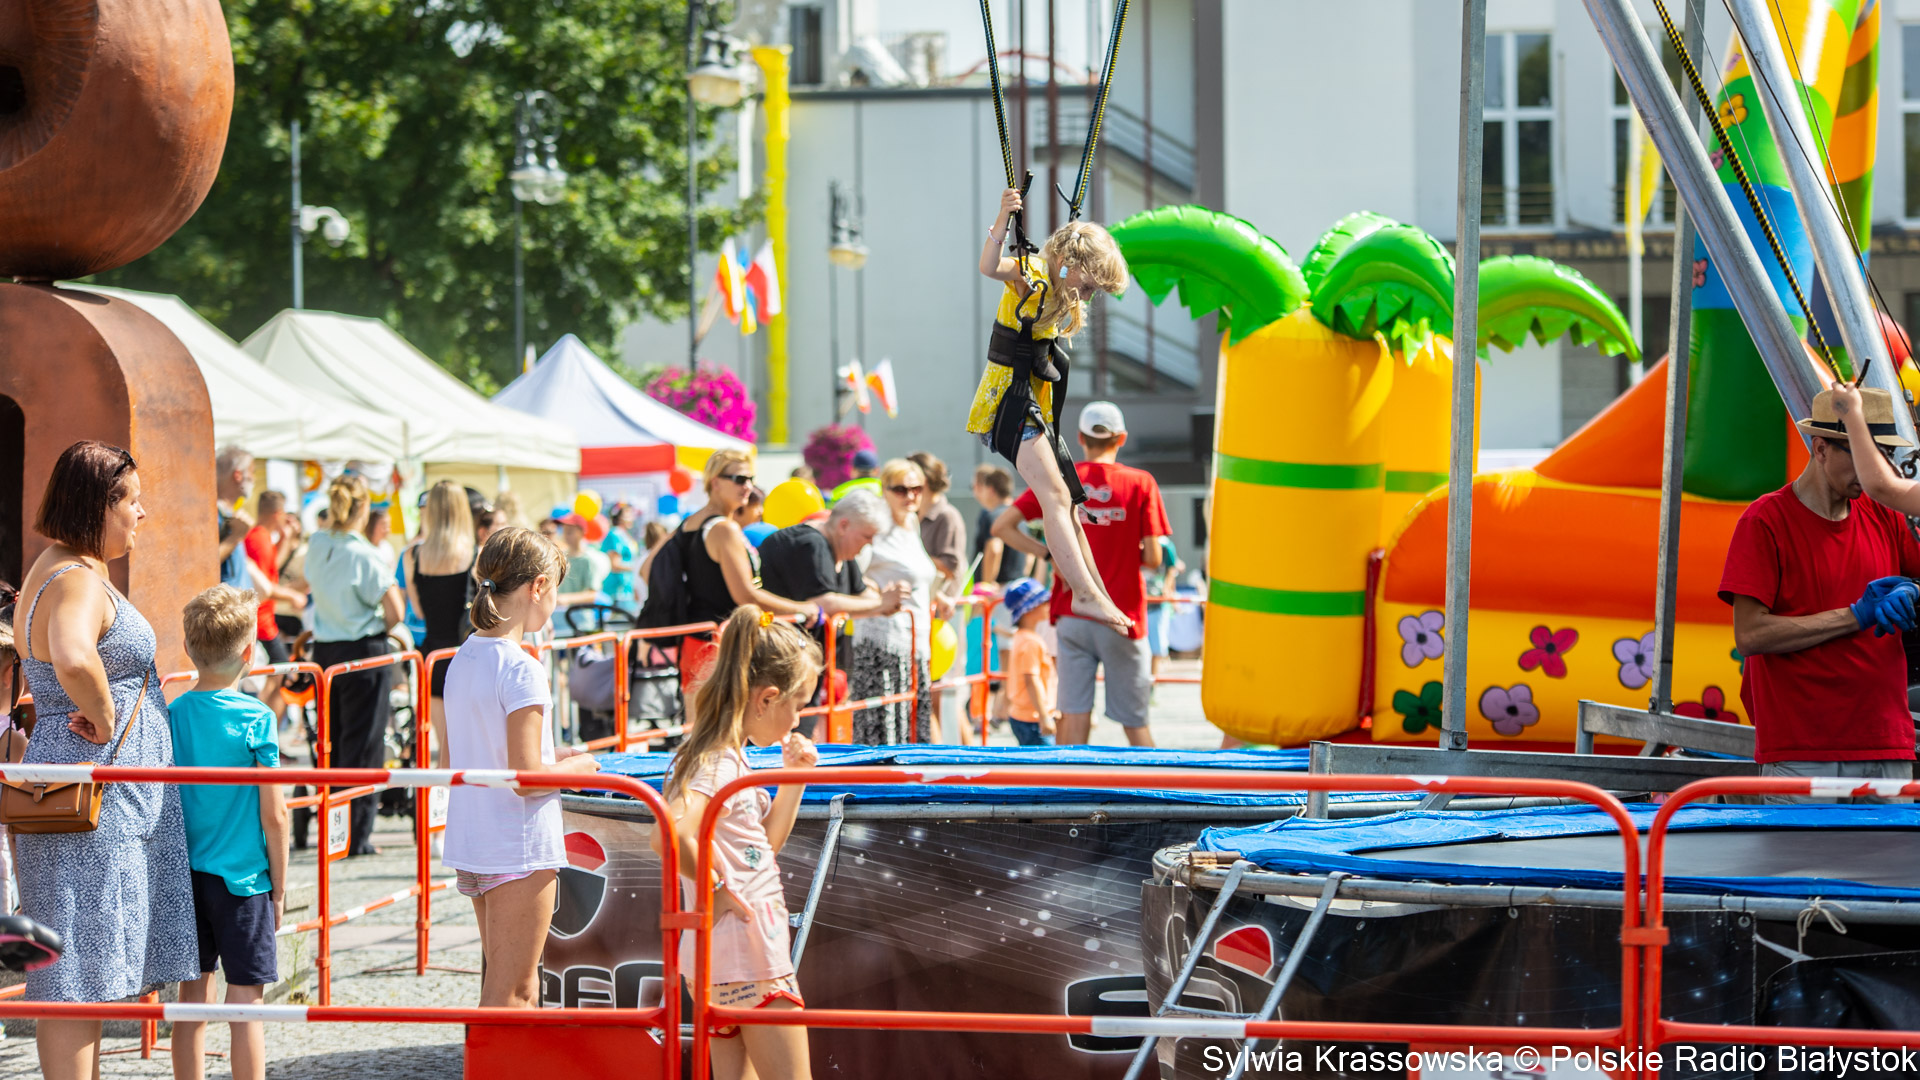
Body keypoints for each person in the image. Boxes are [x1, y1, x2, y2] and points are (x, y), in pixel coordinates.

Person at [10, 441, 198, 1078]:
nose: (141, 515)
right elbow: (70, 653)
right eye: (132, 502)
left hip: (80, 788)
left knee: (71, 967)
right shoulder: (79, 579)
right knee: (73, 974)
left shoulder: (56, 566)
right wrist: (107, 712)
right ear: (99, 505)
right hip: (93, 796)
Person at [1720, 386, 1920, 803]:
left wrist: (1913, 591)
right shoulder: (1765, 522)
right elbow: (1751, 636)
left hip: (1885, 745)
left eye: (1884, 456)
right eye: (1863, 451)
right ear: (1821, 448)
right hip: (1802, 752)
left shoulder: (1886, 515)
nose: (1874, 467)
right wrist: (1855, 615)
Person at [651, 606, 820, 1080]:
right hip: (750, 951)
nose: (797, 719)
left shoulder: (720, 757)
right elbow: (668, 834)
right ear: (767, 698)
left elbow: (762, 847)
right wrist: (714, 888)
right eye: (798, 704)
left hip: (719, 956)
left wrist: (794, 782)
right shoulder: (717, 761)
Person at [444, 527, 601, 1008]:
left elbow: (483, 755)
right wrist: (587, 767)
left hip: (475, 837)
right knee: (514, 992)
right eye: (552, 589)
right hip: (517, 845)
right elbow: (527, 778)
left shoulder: (464, 656)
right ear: (538, 587)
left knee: (508, 985)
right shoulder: (520, 666)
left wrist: (560, 760)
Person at [968, 186, 1133, 633]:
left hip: (1032, 405)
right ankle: (1083, 595)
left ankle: (1096, 592)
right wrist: (1003, 217)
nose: (1091, 293)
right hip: (1008, 403)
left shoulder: (1062, 288)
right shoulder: (1035, 272)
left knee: (1071, 503)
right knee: (1055, 499)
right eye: (1091, 282)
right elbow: (988, 266)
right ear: (1073, 264)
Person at [167, 585, 290, 1080]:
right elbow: (275, 815)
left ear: (188, 649)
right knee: (247, 1007)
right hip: (243, 881)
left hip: (186, 879)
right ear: (248, 651)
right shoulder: (257, 718)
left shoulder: (171, 714)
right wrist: (279, 886)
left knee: (190, 1003)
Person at [996, 401, 1170, 747]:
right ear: (1120, 439)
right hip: (1122, 613)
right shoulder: (1141, 483)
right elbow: (1153, 557)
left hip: (1072, 611)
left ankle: (1068, 796)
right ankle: (1158, 792)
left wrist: (1049, 555)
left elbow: (1003, 526)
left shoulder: (1062, 481)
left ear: (1079, 437)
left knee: (1073, 719)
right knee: (1135, 722)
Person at [305, 474, 406, 855]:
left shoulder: (317, 542)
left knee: (332, 743)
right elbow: (394, 610)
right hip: (363, 649)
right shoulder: (365, 553)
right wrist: (378, 623)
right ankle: (356, 837)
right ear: (363, 509)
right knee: (363, 748)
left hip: (327, 648)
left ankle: (336, 831)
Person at [640, 450, 822, 630]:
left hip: (697, 639)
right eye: (740, 479)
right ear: (715, 482)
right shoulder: (724, 528)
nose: (748, 487)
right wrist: (802, 608)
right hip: (722, 644)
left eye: (752, 480)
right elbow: (746, 596)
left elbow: (646, 569)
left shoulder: (688, 523)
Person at [850, 459, 950, 745]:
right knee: (885, 735)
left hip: (915, 642)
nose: (910, 496)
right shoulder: (876, 528)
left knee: (913, 730)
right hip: (882, 643)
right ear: (885, 490)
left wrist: (937, 595)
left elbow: (917, 575)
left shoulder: (911, 523)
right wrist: (878, 595)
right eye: (901, 489)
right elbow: (852, 575)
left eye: (917, 489)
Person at [407, 480, 478, 770]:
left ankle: (445, 812)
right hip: (469, 653)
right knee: (472, 744)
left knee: (444, 748)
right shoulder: (476, 553)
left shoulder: (412, 555)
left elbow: (420, 612)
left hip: (432, 655)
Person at [242, 491, 307, 718]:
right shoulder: (257, 538)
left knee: (280, 673)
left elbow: (271, 566)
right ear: (278, 513)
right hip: (261, 621)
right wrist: (293, 596)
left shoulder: (260, 537)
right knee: (281, 675)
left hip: (265, 620)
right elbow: (265, 586)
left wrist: (285, 537)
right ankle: (260, 724)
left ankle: (262, 724)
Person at [1001, 578, 1058, 746]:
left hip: (1023, 716)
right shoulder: (1031, 642)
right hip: (1032, 719)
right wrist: (1044, 716)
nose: (1048, 605)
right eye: (1043, 602)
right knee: (1044, 768)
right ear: (1029, 610)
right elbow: (1031, 680)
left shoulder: (1021, 637)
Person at [971, 463, 1028, 589]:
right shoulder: (1020, 518)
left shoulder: (993, 517)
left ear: (990, 490)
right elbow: (1029, 556)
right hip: (1018, 587)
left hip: (998, 593)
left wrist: (987, 586)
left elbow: (994, 549)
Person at [215, 445, 255, 589]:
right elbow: (203, 566)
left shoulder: (226, 512)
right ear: (237, 475)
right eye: (252, 472)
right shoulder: (212, 515)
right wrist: (235, 537)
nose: (253, 478)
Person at [556, 514, 611, 611]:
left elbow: (592, 594)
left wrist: (566, 598)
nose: (566, 534)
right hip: (559, 615)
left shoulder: (588, 560)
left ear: (581, 532)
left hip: (579, 619)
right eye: (564, 530)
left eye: (570, 531)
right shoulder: (559, 557)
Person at [601, 504, 640, 612]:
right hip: (617, 593)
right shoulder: (615, 534)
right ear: (618, 517)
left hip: (627, 591)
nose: (631, 518)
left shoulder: (625, 535)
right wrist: (637, 568)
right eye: (628, 514)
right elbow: (614, 565)